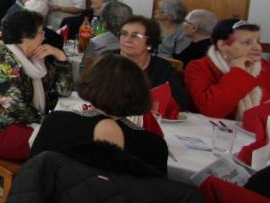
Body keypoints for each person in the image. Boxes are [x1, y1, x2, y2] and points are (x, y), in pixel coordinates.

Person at [31, 55, 169, 174]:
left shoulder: (57, 122)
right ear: (140, 94)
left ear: (91, 84)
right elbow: (158, 194)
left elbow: (32, 173)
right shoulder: (154, 146)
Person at [0, 10, 72, 161]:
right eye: (41, 32)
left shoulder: (37, 60)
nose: (44, 37)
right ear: (26, 38)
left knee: (60, 142)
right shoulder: (3, 60)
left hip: (23, 122)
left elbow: (64, 90)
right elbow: (16, 107)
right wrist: (52, 123)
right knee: (54, 145)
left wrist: (60, 56)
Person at [185, 19, 270, 120]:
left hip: (258, 129)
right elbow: (211, 110)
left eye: (258, 42)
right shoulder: (199, 68)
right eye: (247, 42)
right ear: (223, 46)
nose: (258, 48)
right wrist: (238, 72)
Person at [117, 16, 190, 111]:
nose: (127, 40)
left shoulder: (163, 68)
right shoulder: (107, 64)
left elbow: (180, 103)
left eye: (135, 36)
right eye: (124, 34)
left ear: (149, 43)